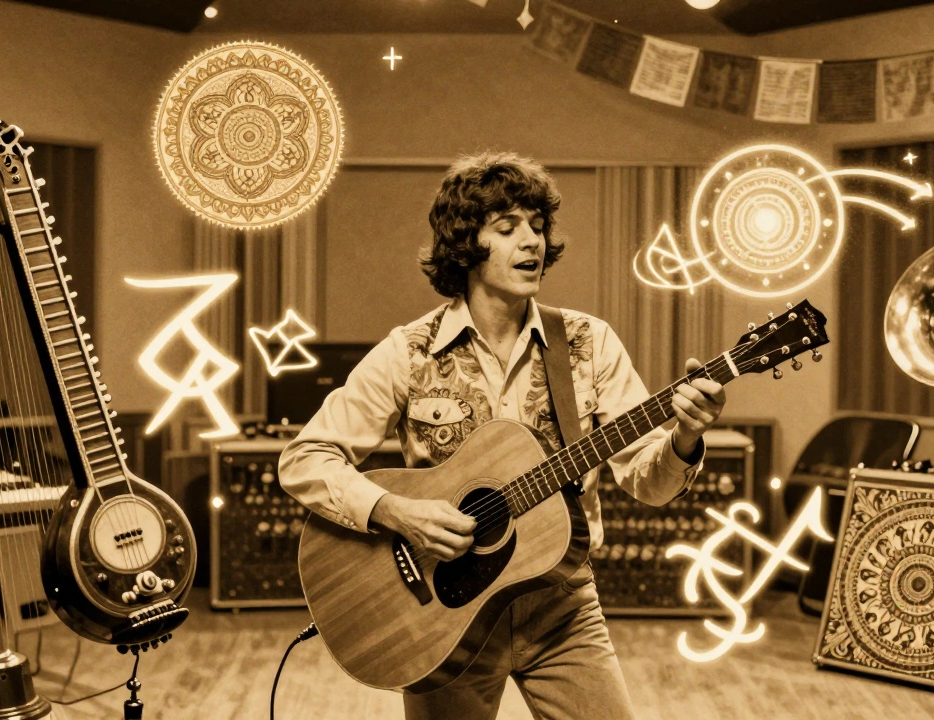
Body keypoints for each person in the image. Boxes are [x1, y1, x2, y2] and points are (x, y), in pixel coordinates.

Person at [278, 151, 726, 719]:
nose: (532, 242)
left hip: (563, 609)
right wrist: (394, 510)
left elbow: (649, 483)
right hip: (441, 612)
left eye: (538, 227)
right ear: (467, 243)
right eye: (508, 228)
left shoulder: (589, 343)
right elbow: (305, 459)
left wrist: (685, 437)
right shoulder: (408, 352)